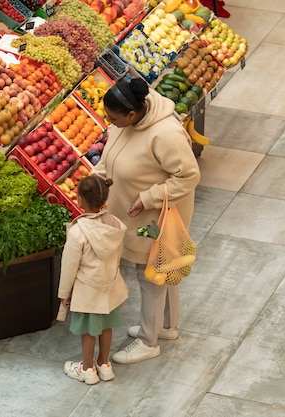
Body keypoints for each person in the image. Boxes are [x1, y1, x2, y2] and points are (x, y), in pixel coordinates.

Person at [91, 74, 200, 364]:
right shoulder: (127, 123)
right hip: (138, 214)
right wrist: (96, 178)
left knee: (151, 274)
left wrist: (149, 198)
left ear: (131, 114)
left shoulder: (165, 134)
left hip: (156, 217)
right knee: (164, 267)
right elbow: (110, 157)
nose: (109, 122)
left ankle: (148, 340)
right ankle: (165, 326)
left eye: (113, 118)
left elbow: (188, 176)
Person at [58, 175, 129, 385]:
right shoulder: (115, 224)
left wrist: (64, 293)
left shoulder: (78, 231)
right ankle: (104, 364)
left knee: (88, 330)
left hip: (88, 291)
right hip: (110, 287)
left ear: (79, 199)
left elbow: (69, 266)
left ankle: (87, 369)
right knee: (107, 326)